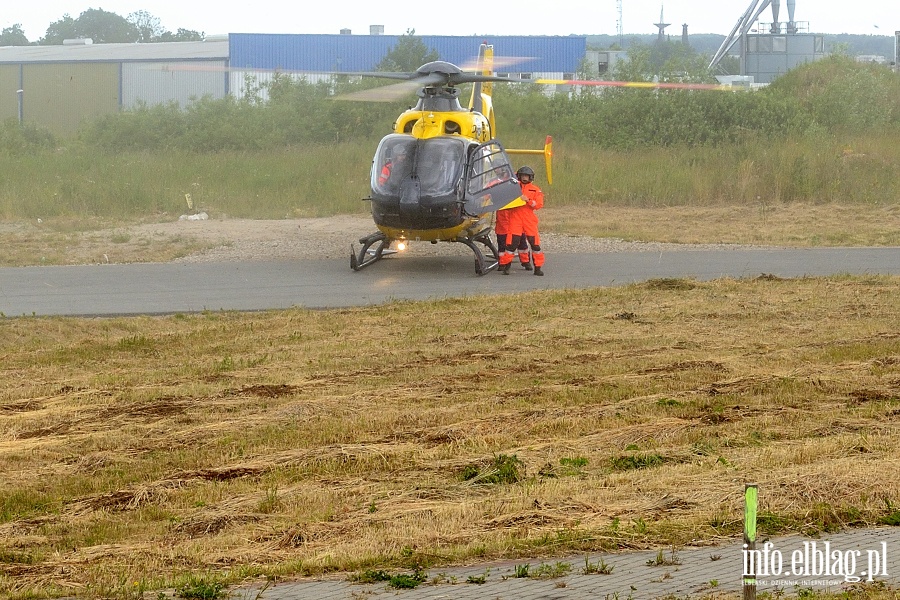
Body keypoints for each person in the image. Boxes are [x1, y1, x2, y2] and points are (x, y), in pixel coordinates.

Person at [499, 166, 545, 276]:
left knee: (535, 245)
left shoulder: (535, 189)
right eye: (523, 176)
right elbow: (505, 202)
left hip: (529, 220)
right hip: (515, 219)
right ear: (519, 176)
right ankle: (506, 266)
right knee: (511, 244)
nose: (525, 178)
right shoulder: (514, 188)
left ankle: (537, 268)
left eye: (527, 176)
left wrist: (528, 200)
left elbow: (538, 205)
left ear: (531, 177)